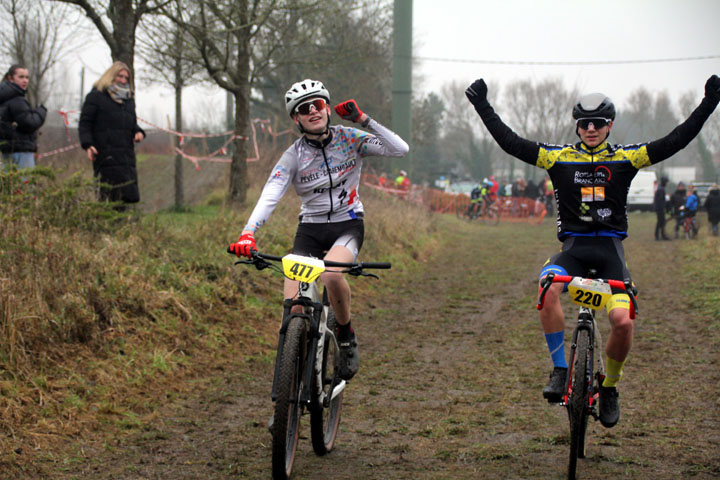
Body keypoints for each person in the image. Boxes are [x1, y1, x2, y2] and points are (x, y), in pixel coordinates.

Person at [465, 74, 720, 428]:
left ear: (609, 126)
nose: (590, 129)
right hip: (572, 250)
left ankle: (610, 387)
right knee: (547, 288)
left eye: (597, 123)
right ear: (577, 126)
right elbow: (511, 143)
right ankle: (559, 370)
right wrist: (482, 105)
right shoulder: (557, 158)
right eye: (584, 123)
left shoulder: (627, 159)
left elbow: (675, 140)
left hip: (610, 253)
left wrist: (709, 103)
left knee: (623, 324)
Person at [229, 79, 409, 383]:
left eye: (318, 104)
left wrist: (362, 119)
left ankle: (346, 335)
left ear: (327, 108)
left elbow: (399, 149)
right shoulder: (294, 156)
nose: (313, 111)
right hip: (310, 230)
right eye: (304, 108)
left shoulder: (350, 138)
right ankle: (287, 393)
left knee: (331, 275)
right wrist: (248, 232)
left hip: (347, 224)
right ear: (296, 118)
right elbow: (270, 194)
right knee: (293, 308)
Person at [78, 61, 145, 207]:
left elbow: (130, 122)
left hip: (125, 155)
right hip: (105, 154)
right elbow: (85, 123)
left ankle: (122, 228)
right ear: (111, 76)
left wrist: (138, 132)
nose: (122, 80)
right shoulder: (96, 97)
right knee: (107, 196)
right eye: (119, 76)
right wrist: (87, 144)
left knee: (124, 197)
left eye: (126, 78)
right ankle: (105, 228)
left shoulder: (128, 100)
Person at [0, 64, 47, 169]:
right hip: (21, 151)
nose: (25, 80)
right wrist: (41, 111)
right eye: (21, 77)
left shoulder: (5, 97)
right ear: (10, 78)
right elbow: (30, 123)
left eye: (27, 77)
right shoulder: (16, 99)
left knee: (9, 184)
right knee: (25, 184)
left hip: (7, 150)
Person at [653, 176, 671, 240]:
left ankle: (659, 235)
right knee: (661, 222)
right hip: (660, 209)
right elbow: (660, 200)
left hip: (659, 208)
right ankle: (660, 235)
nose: (667, 183)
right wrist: (663, 208)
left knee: (660, 222)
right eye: (666, 182)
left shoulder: (660, 188)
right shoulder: (661, 189)